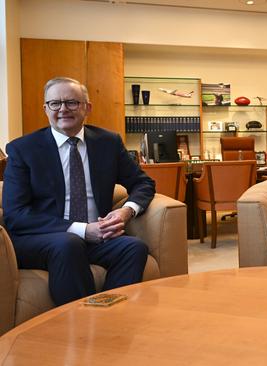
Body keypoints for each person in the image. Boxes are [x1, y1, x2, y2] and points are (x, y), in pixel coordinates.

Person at [3, 77, 155, 306]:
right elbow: (16, 214)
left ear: (87, 107)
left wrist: (126, 211)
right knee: (68, 243)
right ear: (46, 109)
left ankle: (110, 318)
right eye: (55, 103)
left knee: (133, 247)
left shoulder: (108, 142)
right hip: (41, 239)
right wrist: (83, 230)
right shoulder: (23, 149)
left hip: (97, 236)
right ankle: (80, 325)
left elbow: (143, 183)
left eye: (72, 102)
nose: (63, 109)